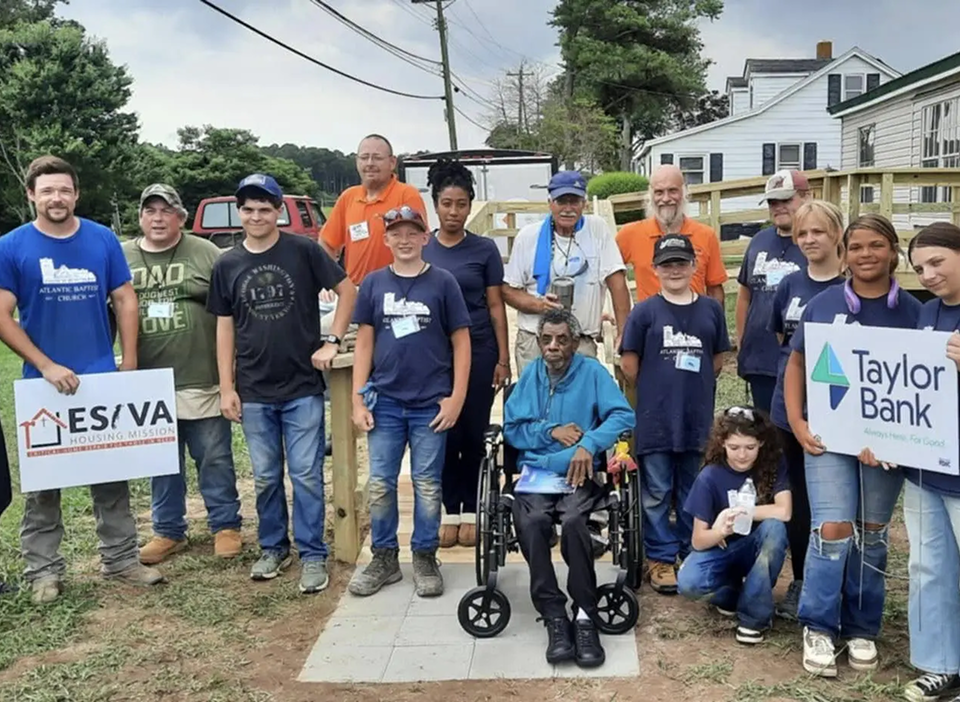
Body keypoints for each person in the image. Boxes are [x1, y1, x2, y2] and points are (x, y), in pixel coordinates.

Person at [0, 155, 164, 604]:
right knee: (44, 486)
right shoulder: (12, 246)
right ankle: (44, 572)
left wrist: (128, 362)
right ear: (32, 195)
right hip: (42, 385)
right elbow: (2, 314)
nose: (57, 198)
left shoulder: (101, 238)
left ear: (76, 193)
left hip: (100, 377)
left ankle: (121, 560)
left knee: (111, 478)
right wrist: (47, 364)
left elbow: (125, 299)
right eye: (47, 190)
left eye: (65, 190)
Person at [784, 214, 921, 677]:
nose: (866, 255)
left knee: (874, 532)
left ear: (893, 251)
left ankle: (862, 627)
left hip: (889, 446)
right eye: (856, 246)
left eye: (876, 246)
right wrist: (798, 422)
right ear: (845, 252)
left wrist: (901, 439)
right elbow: (798, 364)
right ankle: (819, 625)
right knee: (833, 528)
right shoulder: (822, 305)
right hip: (828, 439)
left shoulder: (915, 312)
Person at [208, 173, 357, 594]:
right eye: (249, 209)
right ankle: (274, 547)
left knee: (307, 475)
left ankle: (312, 553)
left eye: (265, 208)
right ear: (240, 213)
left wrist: (332, 340)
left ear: (278, 211)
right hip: (254, 388)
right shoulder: (228, 263)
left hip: (302, 386)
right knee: (267, 475)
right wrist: (227, 386)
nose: (256, 216)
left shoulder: (304, 251)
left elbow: (347, 291)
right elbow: (224, 327)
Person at [348, 206, 471, 598]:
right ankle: (384, 557)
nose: (404, 240)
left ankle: (424, 554)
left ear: (425, 237)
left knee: (427, 484)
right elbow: (364, 342)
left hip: (430, 403)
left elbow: (461, 341)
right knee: (382, 483)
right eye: (395, 233)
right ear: (385, 239)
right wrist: (357, 398)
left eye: (411, 233)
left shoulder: (443, 282)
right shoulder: (373, 284)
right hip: (384, 401)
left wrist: (456, 398)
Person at [504, 308, 634, 668]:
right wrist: (550, 432)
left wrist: (587, 444)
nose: (553, 347)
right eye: (546, 340)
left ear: (575, 342)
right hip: (536, 474)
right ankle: (554, 615)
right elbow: (512, 430)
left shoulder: (592, 372)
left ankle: (585, 615)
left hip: (580, 473)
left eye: (561, 339)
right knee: (530, 523)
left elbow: (623, 415)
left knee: (576, 520)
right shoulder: (530, 375)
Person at [122, 184, 242, 565]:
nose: (158, 218)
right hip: (149, 383)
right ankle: (168, 530)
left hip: (202, 375)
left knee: (214, 456)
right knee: (161, 461)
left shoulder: (205, 252)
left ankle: (225, 525)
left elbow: (231, 309)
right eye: (150, 211)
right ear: (140, 217)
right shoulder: (122, 255)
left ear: (181, 217)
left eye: (166, 211)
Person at [619, 234, 731, 594]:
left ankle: (689, 548)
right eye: (667, 264)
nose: (675, 270)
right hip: (655, 419)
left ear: (695, 266)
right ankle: (660, 556)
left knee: (692, 489)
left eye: (682, 263)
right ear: (655, 269)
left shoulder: (711, 310)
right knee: (655, 490)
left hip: (696, 417)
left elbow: (717, 359)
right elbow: (630, 363)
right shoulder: (645, 312)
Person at [421, 159, 511, 548]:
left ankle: (472, 509)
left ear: (470, 204)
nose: (453, 212)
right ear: (435, 205)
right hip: (433, 357)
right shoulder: (422, 248)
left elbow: (495, 306)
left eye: (461, 204)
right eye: (446, 203)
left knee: (472, 433)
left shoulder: (484, 249)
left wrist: (503, 359)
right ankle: (449, 510)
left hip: (479, 351)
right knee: (443, 432)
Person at [767, 200, 845, 621]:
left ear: (836, 234)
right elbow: (785, 340)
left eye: (818, 232)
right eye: (802, 234)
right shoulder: (790, 286)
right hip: (789, 409)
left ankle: (836, 582)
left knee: (833, 502)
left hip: (839, 409)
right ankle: (799, 578)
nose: (810, 240)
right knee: (797, 496)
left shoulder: (852, 287)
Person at [901, 222, 960, 702]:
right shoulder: (926, 315)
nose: (929, 274)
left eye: (938, 262)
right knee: (928, 567)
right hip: (926, 468)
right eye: (920, 267)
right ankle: (940, 664)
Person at [677, 406, 791, 645]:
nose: (742, 455)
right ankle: (734, 595)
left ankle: (754, 617)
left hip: (756, 545)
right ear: (722, 444)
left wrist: (739, 512)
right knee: (688, 583)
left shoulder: (772, 465)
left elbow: (784, 511)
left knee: (775, 528)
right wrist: (720, 530)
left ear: (761, 443)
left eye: (750, 447)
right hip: (723, 547)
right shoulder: (710, 476)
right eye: (734, 448)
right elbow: (698, 540)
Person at [502, 170, 631, 374]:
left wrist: (624, 333)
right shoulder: (528, 237)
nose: (568, 209)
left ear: (584, 203)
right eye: (562, 201)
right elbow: (508, 290)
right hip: (537, 341)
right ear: (550, 202)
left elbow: (617, 283)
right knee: (536, 402)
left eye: (575, 201)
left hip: (581, 341)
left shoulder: (597, 230)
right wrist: (540, 305)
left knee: (580, 404)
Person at [735, 170, 810, 413]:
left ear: (807, 197)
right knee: (765, 434)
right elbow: (745, 293)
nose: (778, 207)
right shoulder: (759, 241)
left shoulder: (816, 243)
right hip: (760, 357)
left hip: (801, 355)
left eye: (786, 200)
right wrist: (742, 339)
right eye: (772, 202)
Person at [320, 134, 427, 286]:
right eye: (364, 157)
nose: (370, 163)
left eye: (377, 158)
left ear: (392, 162)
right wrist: (332, 281)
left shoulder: (407, 195)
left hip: (398, 290)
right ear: (357, 162)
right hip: (357, 292)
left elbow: (420, 244)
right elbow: (326, 242)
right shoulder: (348, 197)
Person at [616, 164, 727, 305]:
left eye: (673, 191)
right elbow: (606, 275)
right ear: (650, 195)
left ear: (684, 192)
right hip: (650, 323)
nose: (666, 198)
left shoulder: (706, 235)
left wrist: (718, 324)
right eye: (659, 192)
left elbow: (715, 289)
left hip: (694, 323)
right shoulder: (630, 234)